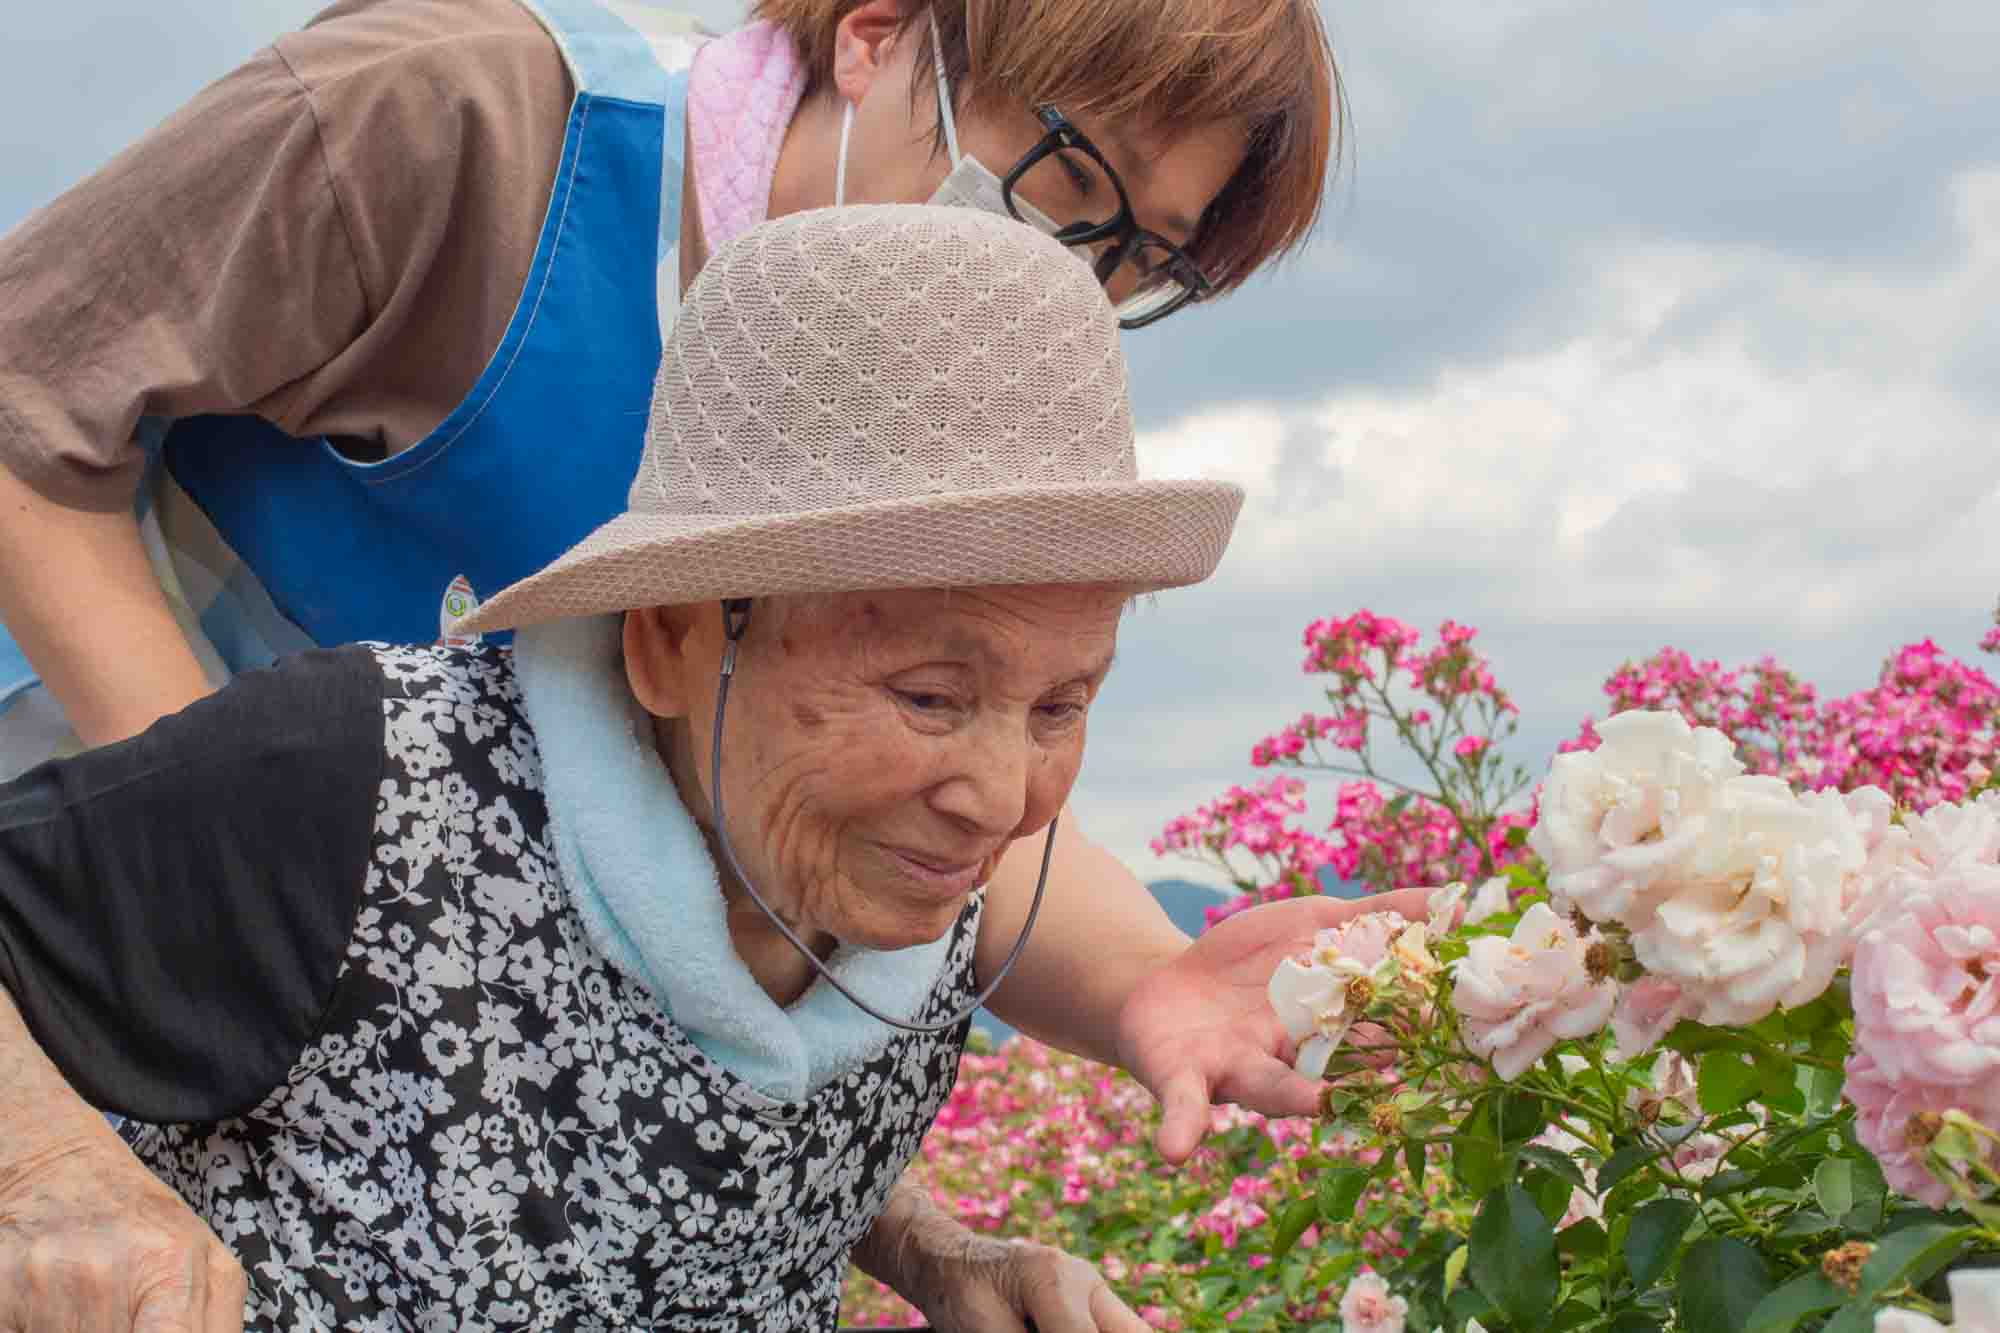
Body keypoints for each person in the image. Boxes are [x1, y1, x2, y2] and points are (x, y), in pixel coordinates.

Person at [0, 0, 1351, 1324]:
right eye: (1069, 179)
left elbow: (819, 834)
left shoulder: (894, 434)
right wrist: (294, 893)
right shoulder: (454, 119)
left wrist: (1136, 992)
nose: (1071, 267)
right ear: (876, 36)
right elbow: (22, 388)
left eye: (1135, 256)